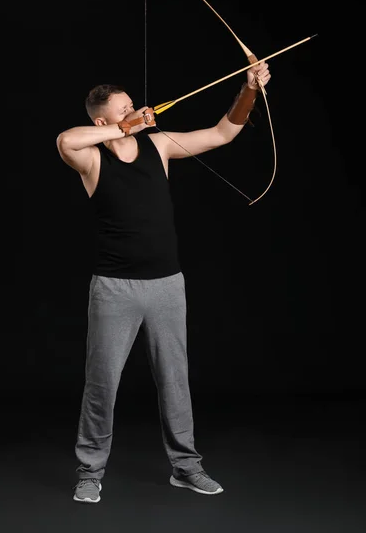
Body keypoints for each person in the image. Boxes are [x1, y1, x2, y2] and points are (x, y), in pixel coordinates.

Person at [56, 60, 271, 503]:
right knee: (102, 383)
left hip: (167, 285)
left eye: (135, 105)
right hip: (115, 288)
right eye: (126, 109)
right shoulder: (91, 158)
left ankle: (186, 467)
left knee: (175, 378)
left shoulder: (160, 146)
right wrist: (121, 129)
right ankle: (90, 472)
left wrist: (248, 90)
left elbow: (222, 133)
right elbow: (65, 139)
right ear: (103, 120)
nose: (140, 112)